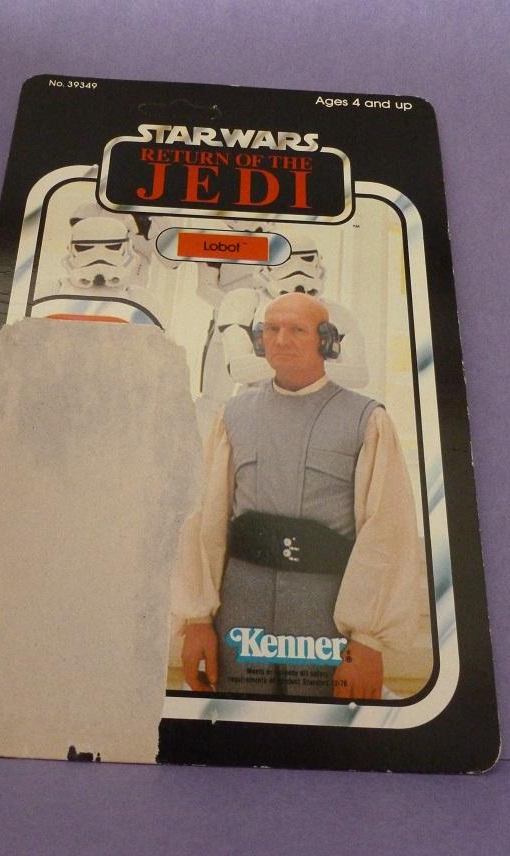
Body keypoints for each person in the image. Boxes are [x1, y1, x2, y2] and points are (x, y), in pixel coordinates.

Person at [171, 292, 422, 700]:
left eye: (297, 330)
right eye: (271, 329)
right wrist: (198, 619)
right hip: (240, 612)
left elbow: (387, 529)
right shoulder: (233, 415)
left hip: (325, 615)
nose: (281, 339)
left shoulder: (366, 419)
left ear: (327, 340)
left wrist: (368, 641)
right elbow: (204, 520)